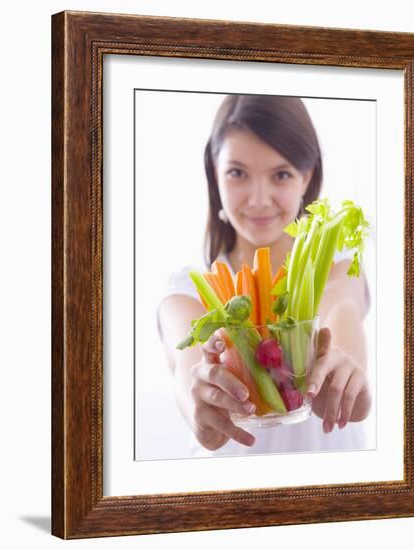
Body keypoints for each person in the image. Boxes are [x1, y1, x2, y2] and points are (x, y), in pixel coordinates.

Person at [157, 94, 371, 457]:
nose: (258, 199)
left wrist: (349, 385)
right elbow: (189, 370)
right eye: (238, 172)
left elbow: (342, 318)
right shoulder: (188, 289)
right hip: (226, 502)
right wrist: (200, 404)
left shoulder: (336, 268)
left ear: (307, 177)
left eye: (281, 174)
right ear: (214, 173)